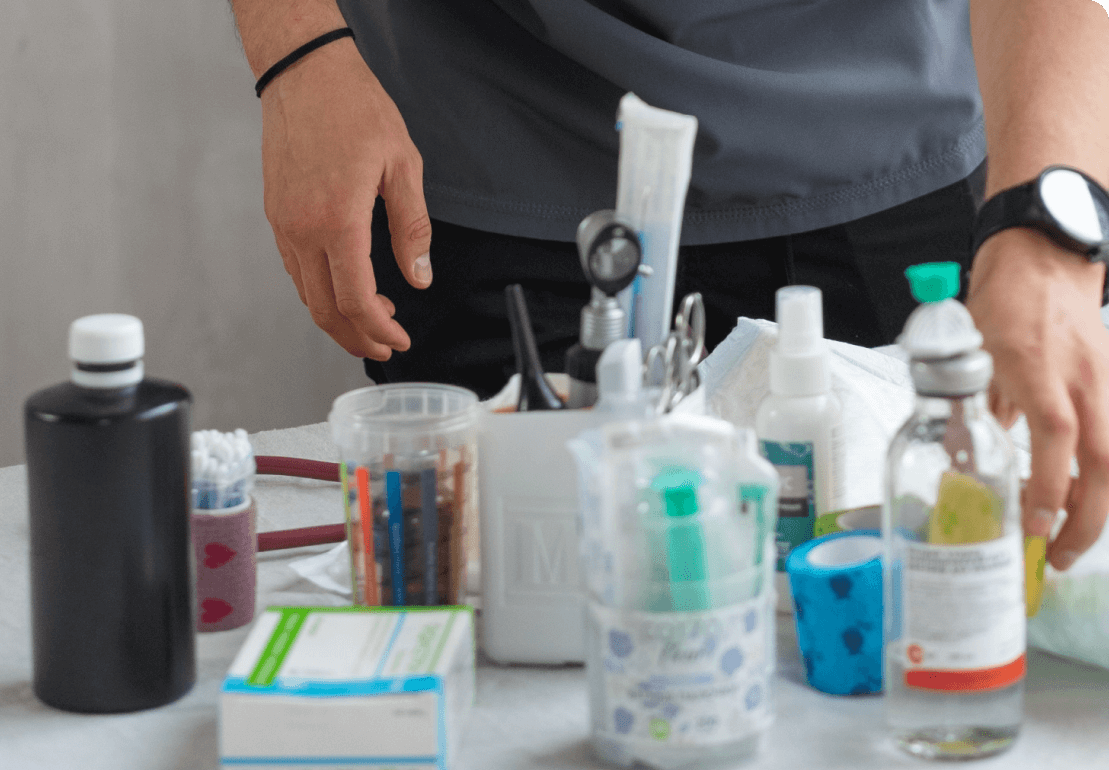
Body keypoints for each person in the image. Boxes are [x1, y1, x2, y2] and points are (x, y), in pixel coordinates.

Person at [229, 0, 1109, 571]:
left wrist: (1045, 214)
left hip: (887, 147)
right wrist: (299, 51)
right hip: (500, 144)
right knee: (512, 641)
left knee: (939, 606)